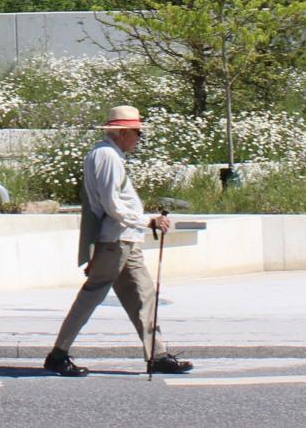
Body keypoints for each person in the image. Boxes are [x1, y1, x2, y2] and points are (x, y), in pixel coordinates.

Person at [44, 105, 194, 376]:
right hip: (116, 239)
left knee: (144, 296)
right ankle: (58, 354)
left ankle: (157, 354)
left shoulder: (106, 154)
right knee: (92, 296)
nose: (139, 138)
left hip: (124, 239)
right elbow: (113, 205)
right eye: (137, 132)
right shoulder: (107, 157)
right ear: (123, 132)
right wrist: (148, 221)